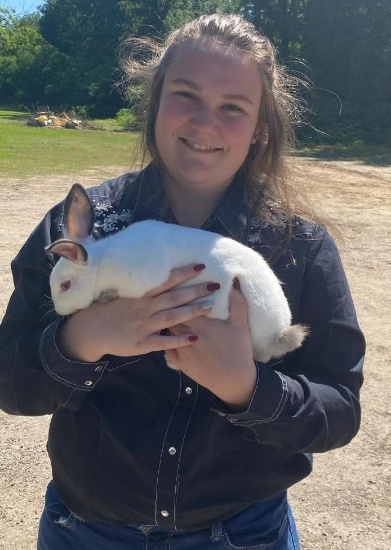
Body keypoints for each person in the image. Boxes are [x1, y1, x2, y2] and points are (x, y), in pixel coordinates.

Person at [0, 13, 365, 550]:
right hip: (84, 531)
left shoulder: (301, 248)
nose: (205, 123)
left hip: (244, 534)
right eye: (186, 95)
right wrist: (81, 339)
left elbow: (340, 410)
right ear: (155, 101)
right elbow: (11, 381)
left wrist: (248, 387)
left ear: (260, 124)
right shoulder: (80, 230)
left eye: (233, 107)